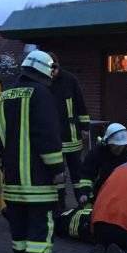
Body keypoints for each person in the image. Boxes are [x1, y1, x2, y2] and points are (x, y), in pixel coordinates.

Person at [0, 50, 64, 253]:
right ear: (45, 70)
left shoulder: (4, 95)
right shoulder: (42, 94)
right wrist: (57, 168)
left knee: (19, 223)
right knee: (41, 225)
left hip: (12, 178)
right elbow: (48, 136)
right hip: (38, 179)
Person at [55, 122, 127, 241]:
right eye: (116, 145)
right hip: (96, 198)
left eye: (122, 146)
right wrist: (84, 193)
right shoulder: (96, 154)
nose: (119, 148)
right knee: (81, 219)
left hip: (118, 201)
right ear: (108, 143)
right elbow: (87, 175)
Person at [48, 52, 90, 207]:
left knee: (77, 172)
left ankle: (82, 201)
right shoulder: (43, 82)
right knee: (57, 174)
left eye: (54, 69)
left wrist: (85, 126)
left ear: (58, 65)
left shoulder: (70, 80)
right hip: (54, 140)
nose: (52, 74)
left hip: (71, 137)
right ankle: (59, 206)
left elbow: (80, 103)